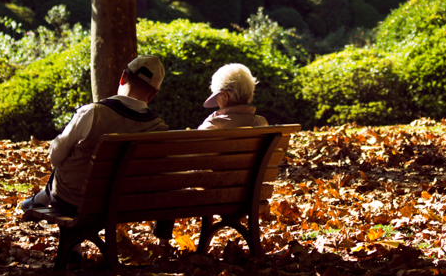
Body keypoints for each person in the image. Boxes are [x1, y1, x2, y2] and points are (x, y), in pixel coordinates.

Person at [21, 55, 169, 216]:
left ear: (123, 77)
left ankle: (41, 199)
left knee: (66, 158)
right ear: (154, 94)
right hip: (123, 205)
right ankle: (41, 197)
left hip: (72, 201)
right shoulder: (158, 128)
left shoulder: (93, 113)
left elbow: (55, 158)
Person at [198, 63, 268, 130]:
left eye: (217, 97)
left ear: (225, 96)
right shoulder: (262, 123)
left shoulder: (213, 124)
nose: (217, 101)